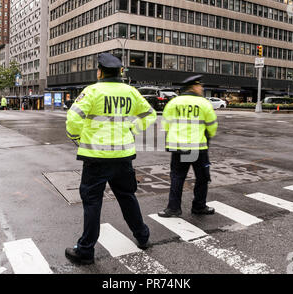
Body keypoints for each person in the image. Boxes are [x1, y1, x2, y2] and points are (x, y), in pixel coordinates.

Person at [65, 53, 157, 265]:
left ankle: (86, 250)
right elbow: (150, 114)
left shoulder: (93, 91)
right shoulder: (131, 92)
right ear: (120, 72)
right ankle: (142, 236)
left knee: (92, 202)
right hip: (123, 157)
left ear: (100, 71)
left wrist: (76, 137)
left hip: (96, 158)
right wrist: (133, 128)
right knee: (127, 196)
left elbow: (73, 118)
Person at [158, 75, 218, 218]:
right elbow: (212, 125)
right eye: (200, 86)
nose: (201, 88)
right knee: (202, 178)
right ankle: (199, 206)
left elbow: (165, 124)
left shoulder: (174, 102)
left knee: (177, 177)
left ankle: (173, 209)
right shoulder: (204, 103)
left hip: (179, 148)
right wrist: (208, 135)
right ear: (193, 87)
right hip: (198, 148)